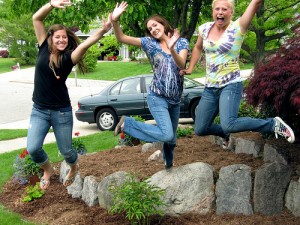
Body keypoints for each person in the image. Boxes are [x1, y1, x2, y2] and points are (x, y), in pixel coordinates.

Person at [180, 0, 295, 146]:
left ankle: (272, 124)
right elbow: (197, 47)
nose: (220, 12)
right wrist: (190, 67)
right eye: (217, 9)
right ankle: (224, 133)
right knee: (200, 128)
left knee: (229, 123)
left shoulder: (238, 27)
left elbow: (256, 3)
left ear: (231, 12)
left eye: (224, 9)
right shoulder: (205, 28)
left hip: (231, 84)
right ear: (213, 11)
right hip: (210, 87)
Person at [28, 0, 112, 190]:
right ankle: (48, 170)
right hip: (39, 110)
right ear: (51, 37)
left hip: (62, 113)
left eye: (64, 38)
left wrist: (104, 30)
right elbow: (37, 18)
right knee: (33, 149)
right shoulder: (43, 46)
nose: (61, 40)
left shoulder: (69, 57)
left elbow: (86, 44)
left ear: (68, 40)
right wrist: (51, 4)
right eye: (57, 37)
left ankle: (73, 167)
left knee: (67, 151)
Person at [112, 2, 189, 169]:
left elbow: (181, 64)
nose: (153, 29)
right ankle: (128, 124)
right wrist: (115, 21)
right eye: (150, 28)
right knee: (167, 134)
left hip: (175, 99)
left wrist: (172, 48)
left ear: (163, 24)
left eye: (155, 25)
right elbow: (121, 38)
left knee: (171, 139)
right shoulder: (149, 43)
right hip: (157, 97)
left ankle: (168, 164)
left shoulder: (181, 42)